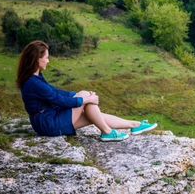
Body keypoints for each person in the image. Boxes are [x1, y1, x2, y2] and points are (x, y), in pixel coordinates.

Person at [17, 40, 157, 141]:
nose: (48, 61)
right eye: (46, 57)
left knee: (93, 115)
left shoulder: (35, 77)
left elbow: (54, 92)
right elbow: (57, 99)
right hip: (48, 123)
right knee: (87, 101)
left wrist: (78, 96)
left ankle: (135, 125)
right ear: (37, 59)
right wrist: (85, 99)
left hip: (49, 119)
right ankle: (107, 132)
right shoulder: (33, 82)